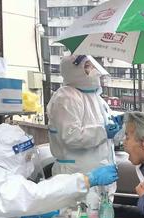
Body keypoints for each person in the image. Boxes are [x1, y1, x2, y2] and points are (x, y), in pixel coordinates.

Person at [47, 54, 121, 209]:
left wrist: (120, 127)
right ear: (73, 70)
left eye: (92, 65)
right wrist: (103, 132)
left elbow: (108, 137)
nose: (92, 70)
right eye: (87, 66)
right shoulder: (66, 97)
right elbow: (70, 136)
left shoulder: (97, 98)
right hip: (76, 176)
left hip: (100, 180)